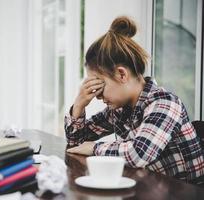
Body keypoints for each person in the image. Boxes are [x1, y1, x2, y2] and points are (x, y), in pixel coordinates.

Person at [65, 16, 204, 184]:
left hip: (185, 193)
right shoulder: (120, 109)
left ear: (122, 74)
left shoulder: (165, 104)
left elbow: (138, 154)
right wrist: (79, 105)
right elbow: (77, 143)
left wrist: (95, 148)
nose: (98, 96)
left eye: (100, 86)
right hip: (151, 188)